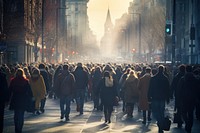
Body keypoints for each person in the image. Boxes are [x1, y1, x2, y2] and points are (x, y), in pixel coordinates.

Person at [9, 68, 33, 133]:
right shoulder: (25, 81)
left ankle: (16, 127)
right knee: (21, 114)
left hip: (15, 98)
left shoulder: (13, 81)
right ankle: (20, 128)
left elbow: (10, 90)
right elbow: (29, 91)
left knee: (16, 114)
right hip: (23, 99)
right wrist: (30, 97)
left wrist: (8, 99)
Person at [148, 65, 170, 133]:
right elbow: (167, 89)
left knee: (155, 111)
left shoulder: (153, 78)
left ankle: (160, 123)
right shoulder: (165, 78)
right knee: (161, 111)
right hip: (162, 97)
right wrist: (168, 97)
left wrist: (149, 96)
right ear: (163, 70)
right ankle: (161, 124)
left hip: (155, 97)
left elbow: (150, 88)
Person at [178, 65, 198, 133]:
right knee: (191, 113)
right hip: (192, 98)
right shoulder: (195, 79)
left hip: (184, 98)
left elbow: (179, 89)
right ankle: (189, 126)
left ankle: (187, 122)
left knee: (183, 112)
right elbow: (198, 89)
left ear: (186, 70)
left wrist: (179, 98)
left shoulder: (183, 79)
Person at [0, 67, 9, 133]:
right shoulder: (3, 76)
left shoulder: (3, 76)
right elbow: (5, 88)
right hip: (1, 98)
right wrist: (7, 99)